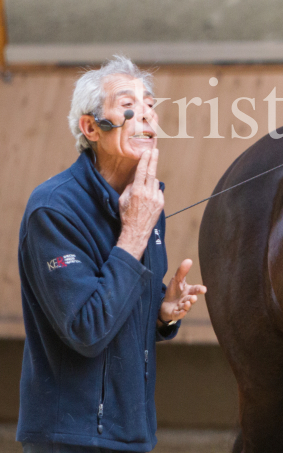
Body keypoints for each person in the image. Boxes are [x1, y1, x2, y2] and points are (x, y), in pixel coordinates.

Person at [16, 55, 207, 453]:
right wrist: (134, 232)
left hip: (132, 433)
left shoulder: (147, 202)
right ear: (91, 127)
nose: (146, 118)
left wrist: (158, 314)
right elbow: (87, 330)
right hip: (68, 439)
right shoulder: (53, 210)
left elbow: (116, 309)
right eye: (128, 107)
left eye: (150, 108)